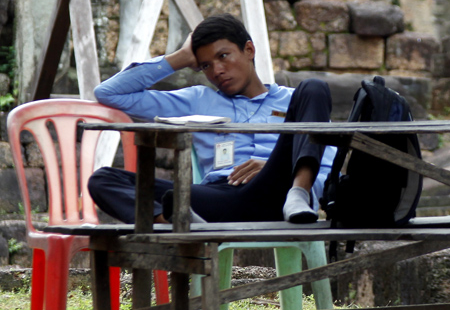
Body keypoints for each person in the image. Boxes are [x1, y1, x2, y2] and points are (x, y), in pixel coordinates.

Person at [86, 13, 333, 225]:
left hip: (283, 194)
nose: (216, 71)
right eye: (205, 66)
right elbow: (109, 93)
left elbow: (326, 169)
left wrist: (278, 171)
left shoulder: (297, 101)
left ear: (249, 50)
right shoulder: (197, 100)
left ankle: (297, 191)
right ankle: (176, 222)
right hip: (221, 199)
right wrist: (180, 58)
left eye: (223, 56)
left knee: (314, 87)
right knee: (104, 180)